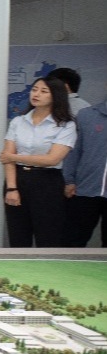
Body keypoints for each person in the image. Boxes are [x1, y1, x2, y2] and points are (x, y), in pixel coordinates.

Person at [1, 76, 76, 247]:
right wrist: (12, 188)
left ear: (56, 96)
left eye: (43, 91)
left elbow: (52, 159)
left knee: (48, 235)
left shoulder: (65, 125)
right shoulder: (18, 121)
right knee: (18, 236)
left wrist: (15, 157)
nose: (36, 94)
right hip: (18, 179)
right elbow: (7, 158)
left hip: (47, 181)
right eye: (34, 90)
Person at [64, 94, 107, 246]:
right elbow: (74, 151)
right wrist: (69, 180)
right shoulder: (86, 115)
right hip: (84, 190)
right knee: (73, 241)